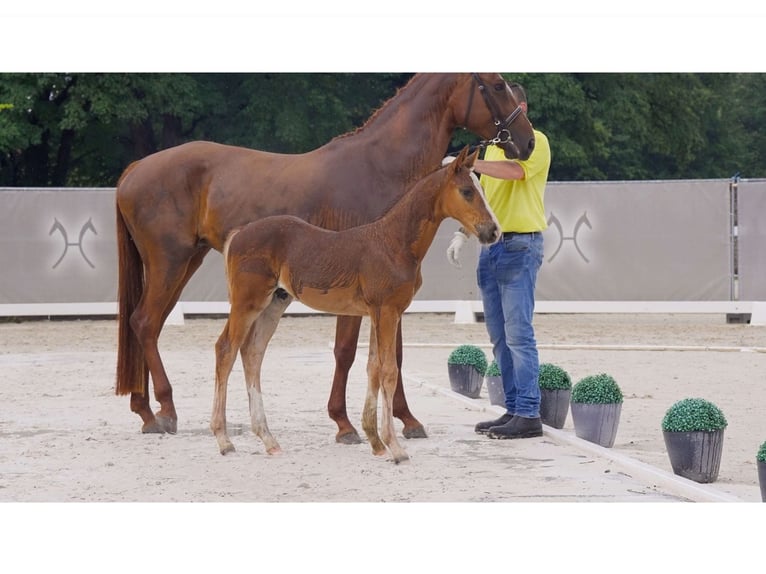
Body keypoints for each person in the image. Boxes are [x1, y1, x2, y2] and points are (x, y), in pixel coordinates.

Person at [446, 82, 551, 439]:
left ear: (520, 107)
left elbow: (514, 172)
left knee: (519, 335)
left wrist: (472, 164)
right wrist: (463, 233)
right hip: (490, 249)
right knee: (500, 338)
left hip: (521, 246)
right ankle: (513, 409)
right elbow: (484, 197)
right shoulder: (490, 149)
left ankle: (528, 413)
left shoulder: (536, 141)